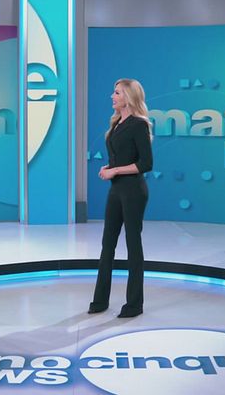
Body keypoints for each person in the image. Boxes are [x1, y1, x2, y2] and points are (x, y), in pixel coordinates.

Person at [88, 78, 153, 318]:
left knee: (133, 244)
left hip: (133, 191)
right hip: (116, 189)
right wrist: (110, 167)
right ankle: (100, 300)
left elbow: (146, 163)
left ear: (128, 97)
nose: (112, 96)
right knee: (108, 244)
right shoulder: (116, 123)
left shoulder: (139, 124)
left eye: (117, 93)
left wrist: (115, 170)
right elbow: (122, 156)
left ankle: (134, 304)